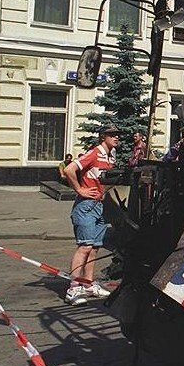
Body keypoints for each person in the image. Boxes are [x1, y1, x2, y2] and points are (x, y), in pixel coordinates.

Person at [61, 124, 120, 305]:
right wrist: (80, 190)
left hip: (101, 206)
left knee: (94, 248)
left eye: (117, 135)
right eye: (112, 135)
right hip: (86, 206)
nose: (116, 137)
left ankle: (87, 284)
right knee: (85, 247)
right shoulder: (94, 152)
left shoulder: (111, 155)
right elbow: (69, 170)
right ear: (104, 136)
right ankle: (73, 288)